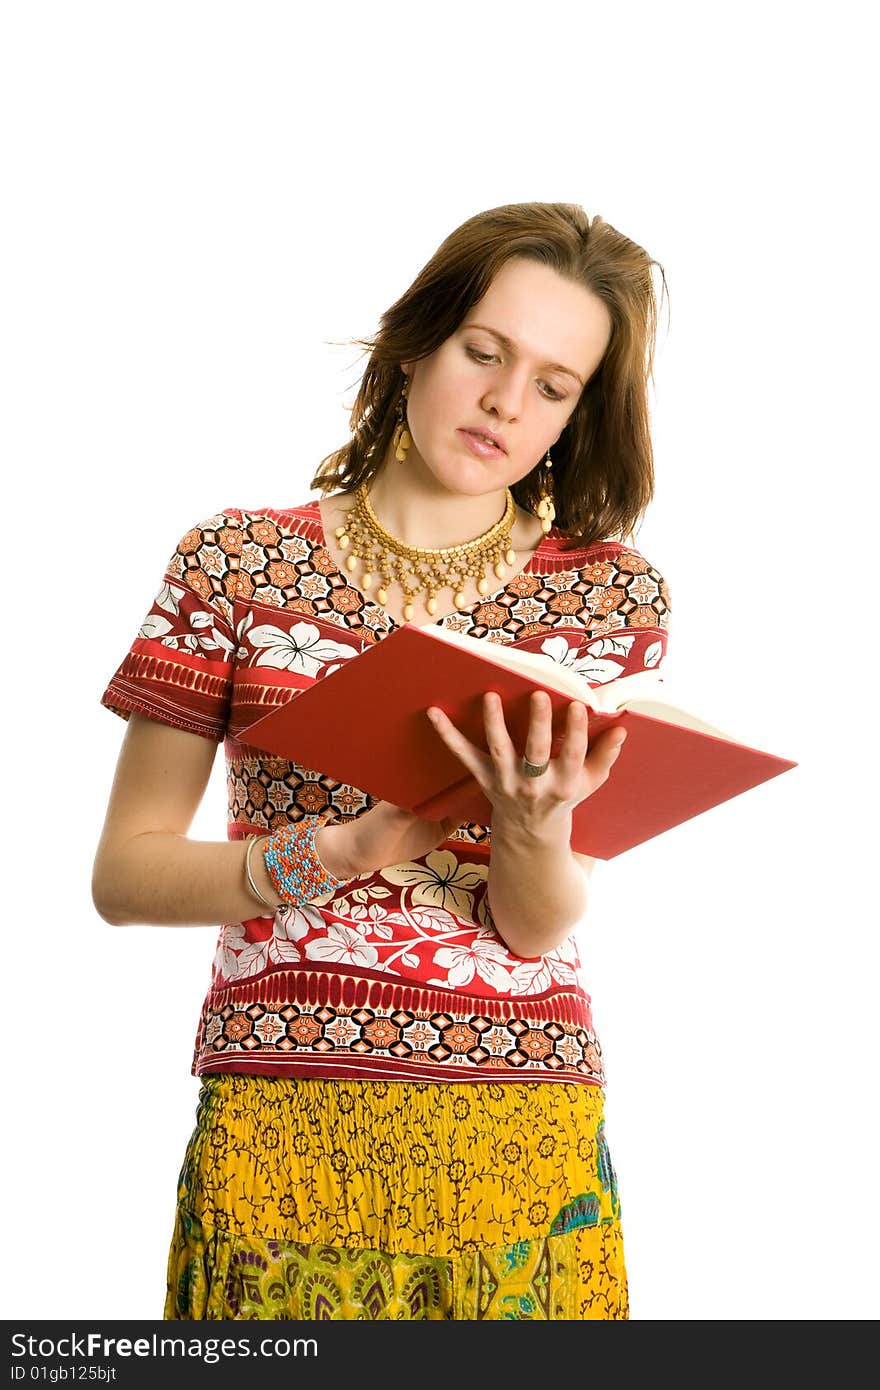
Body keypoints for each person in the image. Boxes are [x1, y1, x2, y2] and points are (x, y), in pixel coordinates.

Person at [92, 201, 672, 1322]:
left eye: (552, 386)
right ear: (416, 340)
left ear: (576, 414)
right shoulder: (237, 560)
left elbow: (540, 922)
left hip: (519, 1130)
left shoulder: (603, 595)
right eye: (484, 352)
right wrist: (337, 850)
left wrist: (530, 821)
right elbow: (125, 874)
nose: (506, 402)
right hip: (282, 1118)